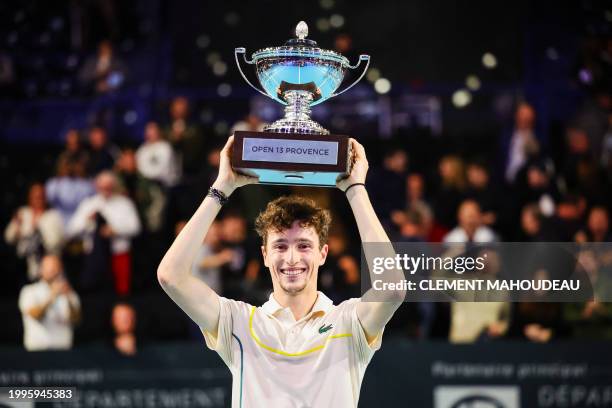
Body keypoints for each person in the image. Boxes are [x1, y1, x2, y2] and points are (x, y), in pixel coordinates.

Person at [158, 136, 404, 407]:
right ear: (264, 255)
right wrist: (221, 188)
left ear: (323, 253)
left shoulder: (348, 321)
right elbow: (171, 276)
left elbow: (392, 288)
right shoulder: (240, 323)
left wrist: (355, 189)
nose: (291, 258)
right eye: (280, 245)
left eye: (303, 245)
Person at [67, 171, 141, 294]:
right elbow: (70, 230)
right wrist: (87, 221)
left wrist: (115, 230)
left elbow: (135, 227)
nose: (106, 189)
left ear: (114, 185)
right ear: (96, 186)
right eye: (103, 186)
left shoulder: (124, 203)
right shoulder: (89, 204)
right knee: (95, 292)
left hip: (118, 254)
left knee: (121, 292)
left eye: (109, 186)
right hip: (94, 256)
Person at [18, 255, 81, 351]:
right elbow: (36, 315)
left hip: (63, 352)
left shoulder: (69, 292)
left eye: (56, 268)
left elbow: (76, 320)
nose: (53, 272)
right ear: (41, 270)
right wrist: (52, 297)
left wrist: (68, 298)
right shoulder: (30, 291)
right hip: (37, 352)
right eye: (50, 268)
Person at [5, 183, 64, 281]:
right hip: (24, 265)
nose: (38, 199)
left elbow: (56, 243)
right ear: (29, 197)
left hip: (47, 267)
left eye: (41, 196)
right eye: (35, 197)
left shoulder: (53, 216)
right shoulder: (23, 213)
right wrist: (17, 228)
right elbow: (8, 237)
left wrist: (39, 229)